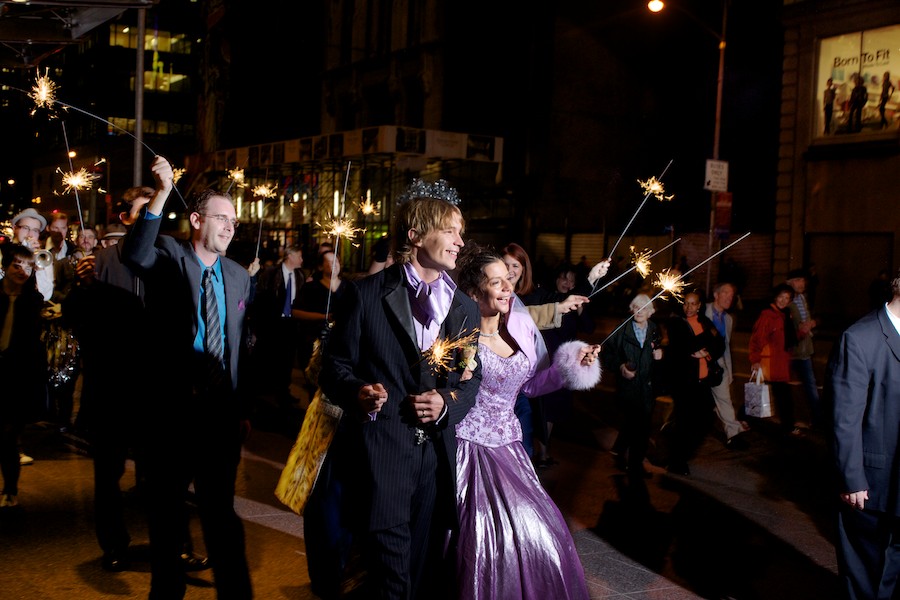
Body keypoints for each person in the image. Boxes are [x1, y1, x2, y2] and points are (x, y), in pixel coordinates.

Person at [319, 178, 482, 598]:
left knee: (419, 575)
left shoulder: (463, 307)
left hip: (434, 462)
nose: (460, 241)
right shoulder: (366, 294)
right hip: (380, 458)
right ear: (415, 235)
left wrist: (446, 402)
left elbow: (471, 378)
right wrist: (358, 391)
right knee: (391, 582)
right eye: (451, 230)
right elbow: (333, 368)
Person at [122, 156, 253, 599]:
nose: (231, 226)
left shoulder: (238, 277)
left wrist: (242, 408)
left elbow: (239, 350)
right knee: (167, 519)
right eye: (221, 218)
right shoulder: (170, 259)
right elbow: (135, 252)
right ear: (196, 220)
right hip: (171, 414)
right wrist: (162, 191)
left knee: (221, 515)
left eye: (234, 220)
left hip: (219, 417)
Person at [454, 244, 600, 598]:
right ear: (474, 292)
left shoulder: (515, 329)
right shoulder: (460, 339)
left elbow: (531, 386)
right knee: (485, 541)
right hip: (471, 451)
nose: (508, 289)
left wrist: (569, 366)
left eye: (508, 281)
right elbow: (449, 393)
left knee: (544, 530)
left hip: (511, 449)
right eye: (497, 282)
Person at [828, 268, 900, 600]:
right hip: (870, 479)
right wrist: (852, 477)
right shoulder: (860, 337)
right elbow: (845, 417)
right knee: (862, 567)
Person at [0, 245, 47, 508]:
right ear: (6, 266)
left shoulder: (33, 300)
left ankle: (10, 488)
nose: (22, 271)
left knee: (9, 434)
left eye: (28, 266)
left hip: (17, 375)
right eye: (16, 265)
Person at [663, 290, 725, 476]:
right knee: (685, 422)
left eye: (693, 304)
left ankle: (682, 450)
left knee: (705, 418)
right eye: (686, 304)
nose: (688, 308)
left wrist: (706, 352)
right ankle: (676, 461)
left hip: (702, 381)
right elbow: (685, 346)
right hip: (684, 382)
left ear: (699, 306)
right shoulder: (676, 323)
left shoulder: (705, 322)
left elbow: (720, 344)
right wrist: (705, 340)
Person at [602, 293, 663, 477]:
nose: (640, 311)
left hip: (647, 388)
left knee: (640, 426)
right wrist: (621, 367)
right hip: (628, 389)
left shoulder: (654, 329)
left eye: (644, 308)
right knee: (638, 427)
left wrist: (661, 353)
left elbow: (658, 351)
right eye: (637, 307)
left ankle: (623, 454)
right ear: (632, 309)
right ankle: (634, 465)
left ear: (651, 312)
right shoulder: (622, 329)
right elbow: (607, 355)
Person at [250, 243, 305, 404]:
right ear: (291, 256)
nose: (302, 259)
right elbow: (261, 297)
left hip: (291, 323)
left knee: (287, 358)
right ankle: (265, 391)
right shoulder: (272, 273)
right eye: (299, 256)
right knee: (269, 355)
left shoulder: (300, 275)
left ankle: (283, 390)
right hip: (272, 323)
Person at [749, 283, 800, 437]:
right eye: (781, 297)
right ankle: (788, 426)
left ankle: (747, 419)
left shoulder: (785, 314)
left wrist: (802, 332)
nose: (784, 300)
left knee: (761, 393)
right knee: (768, 393)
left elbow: (787, 338)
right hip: (769, 362)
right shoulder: (768, 315)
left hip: (779, 362)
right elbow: (757, 339)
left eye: (788, 298)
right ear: (775, 297)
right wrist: (755, 360)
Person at [704, 281, 749, 448]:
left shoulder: (728, 319)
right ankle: (671, 426)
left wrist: (729, 371)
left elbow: (726, 347)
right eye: (725, 294)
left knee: (725, 400)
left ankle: (733, 435)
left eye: (732, 296)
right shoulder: (703, 311)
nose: (729, 298)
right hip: (699, 363)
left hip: (719, 364)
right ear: (716, 295)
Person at [787, 269, 821, 430]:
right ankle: (747, 412)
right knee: (773, 381)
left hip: (804, 350)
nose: (801, 284)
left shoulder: (802, 298)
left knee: (810, 386)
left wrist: (812, 323)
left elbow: (808, 320)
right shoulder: (787, 300)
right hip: (791, 352)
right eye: (797, 280)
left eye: (803, 280)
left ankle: (817, 419)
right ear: (790, 283)